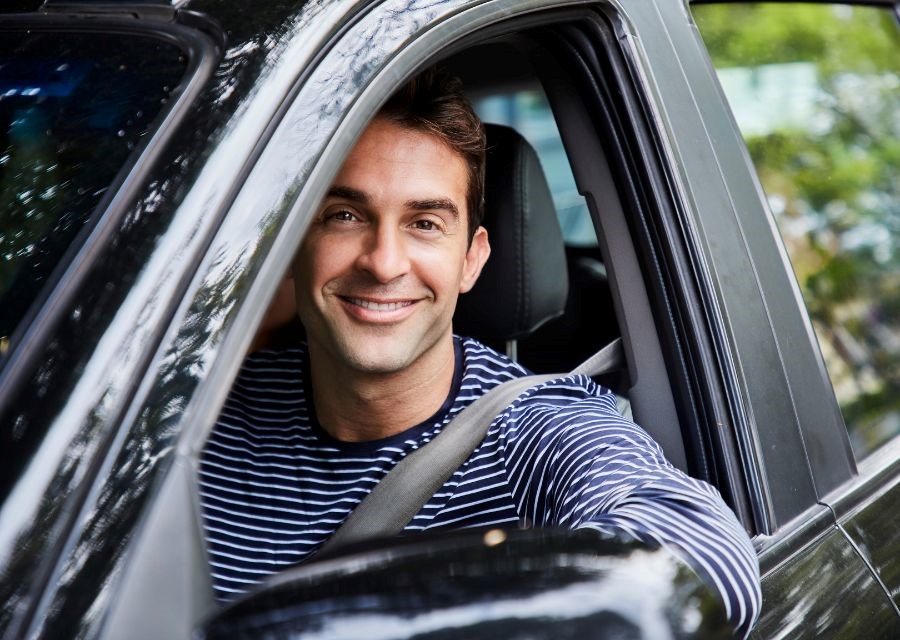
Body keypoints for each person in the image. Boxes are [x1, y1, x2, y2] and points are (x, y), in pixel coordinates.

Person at [199, 69, 761, 636]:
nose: (384, 262)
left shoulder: (536, 429)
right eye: (346, 215)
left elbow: (703, 555)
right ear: (294, 242)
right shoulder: (202, 409)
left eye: (425, 223)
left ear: (471, 259)